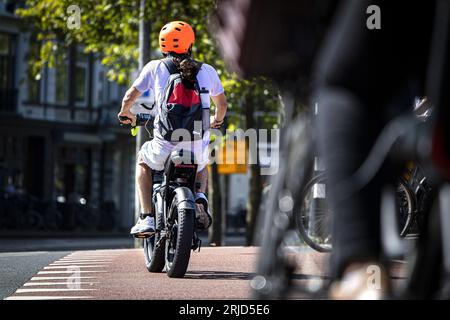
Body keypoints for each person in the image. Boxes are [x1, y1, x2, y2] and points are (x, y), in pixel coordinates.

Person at [118, 21, 228, 237]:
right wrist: (216, 120)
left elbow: (130, 96)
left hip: (165, 143)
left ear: (162, 45)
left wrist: (126, 113)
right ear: (191, 44)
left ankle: (146, 217)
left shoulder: (155, 67)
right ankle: (199, 198)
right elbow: (222, 105)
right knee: (202, 163)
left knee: (143, 161)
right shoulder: (208, 71)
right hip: (196, 143)